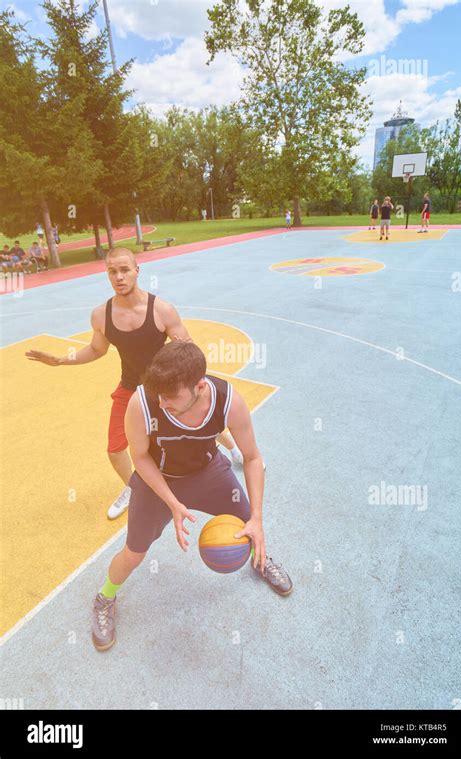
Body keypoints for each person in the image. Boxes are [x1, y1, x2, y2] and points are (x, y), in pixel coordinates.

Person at [91, 341, 293, 651]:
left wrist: (258, 519)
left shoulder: (228, 401)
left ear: (199, 386)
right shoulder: (142, 403)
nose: (164, 401)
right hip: (157, 481)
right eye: (160, 394)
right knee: (133, 553)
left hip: (208, 472)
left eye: (171, 396)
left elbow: (252, 458)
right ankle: (104, 598)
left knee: (248, 525)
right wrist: (171, 502)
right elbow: (141, 458)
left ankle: (262, 559)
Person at [25, 247, 244, 520]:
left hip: (167, 387)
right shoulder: (101, 315)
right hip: (131, 389)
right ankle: (135, 487)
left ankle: (234, 449)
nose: (119, 276)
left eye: (125, 269)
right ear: (107, 274)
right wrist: (61, 360)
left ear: (137, 271)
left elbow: (188, 351)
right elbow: (96, 350)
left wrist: (195, 388)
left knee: (198, 424)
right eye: (112, 271)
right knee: (115, 448)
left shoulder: (162, 310)